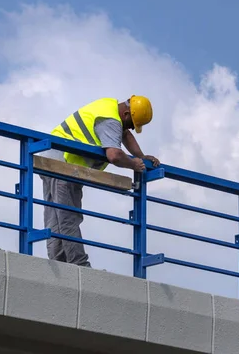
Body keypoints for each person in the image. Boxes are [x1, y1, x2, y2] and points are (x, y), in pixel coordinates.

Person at [39, 95, 160, 267]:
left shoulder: (109, 107)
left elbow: (124, 134)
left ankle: (57, 263)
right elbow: (114, 155)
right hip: (63, 164)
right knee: (67, 216)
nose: (131, 129)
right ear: (126, 114)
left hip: (54, 159)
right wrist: (134, 164)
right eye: (132, 124)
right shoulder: (111, 121)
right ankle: (78, 264)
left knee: (56, 215)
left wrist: (141, 156)